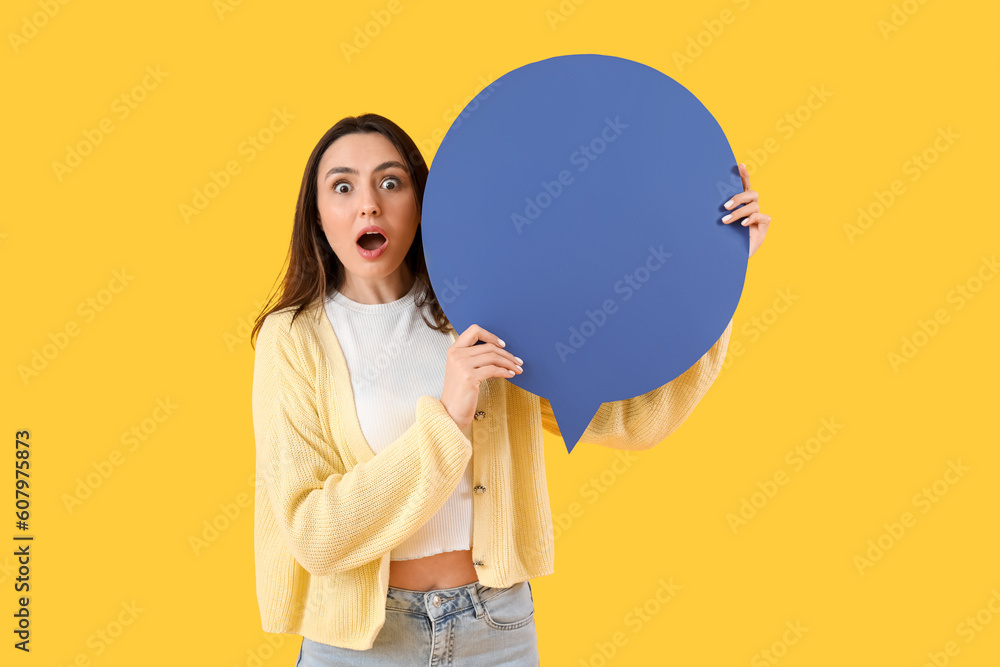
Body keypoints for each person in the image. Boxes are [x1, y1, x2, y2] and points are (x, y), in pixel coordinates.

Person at [249, 113, 770, 666]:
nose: (369, 204)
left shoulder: (488, 314)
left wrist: (718, 272)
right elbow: (312, 534)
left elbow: (634, 420)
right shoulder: (294, 339)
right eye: (343, 186)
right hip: (360, 646)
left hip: (495, 631)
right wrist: (448, 418)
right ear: (319, 214)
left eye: (391, 182)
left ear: (422, 203)